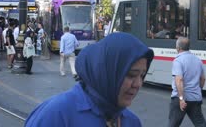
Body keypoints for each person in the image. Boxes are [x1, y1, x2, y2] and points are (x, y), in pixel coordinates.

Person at [24, 32, 154, 126]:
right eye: (131, 74)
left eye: (142, 75)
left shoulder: (131, 121)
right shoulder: (56, 115)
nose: (138, 84)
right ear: (106, 72)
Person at [169, 37, 206, 127]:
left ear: (178, 48)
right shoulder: (198, 60)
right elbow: (203, 79)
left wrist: (181, 99)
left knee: (173, 124)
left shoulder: (178, 61)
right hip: (195, 98)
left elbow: (179, 80)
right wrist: (198, 90)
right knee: (200, 123)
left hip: (181, 100)